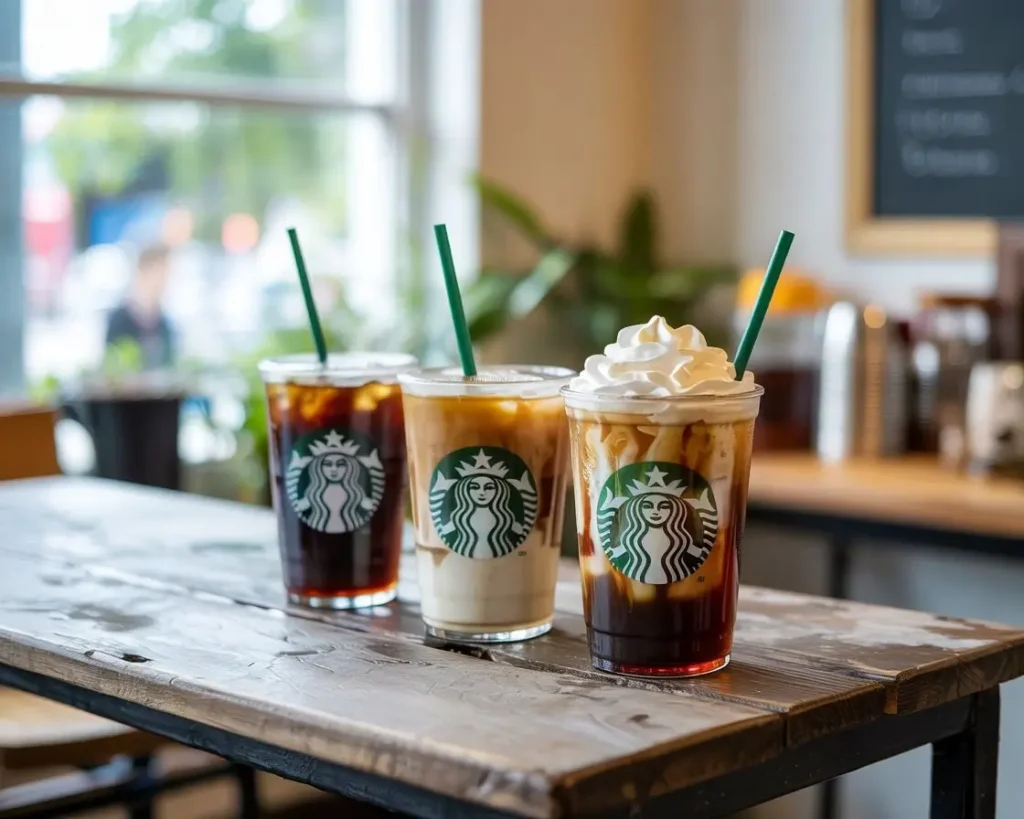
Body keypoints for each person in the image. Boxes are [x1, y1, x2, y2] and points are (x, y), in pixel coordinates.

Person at [105, 243, 175, 370]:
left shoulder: (164, 324)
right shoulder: (119, 320)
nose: (165, 279)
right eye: (160, 271)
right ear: (144, 271)